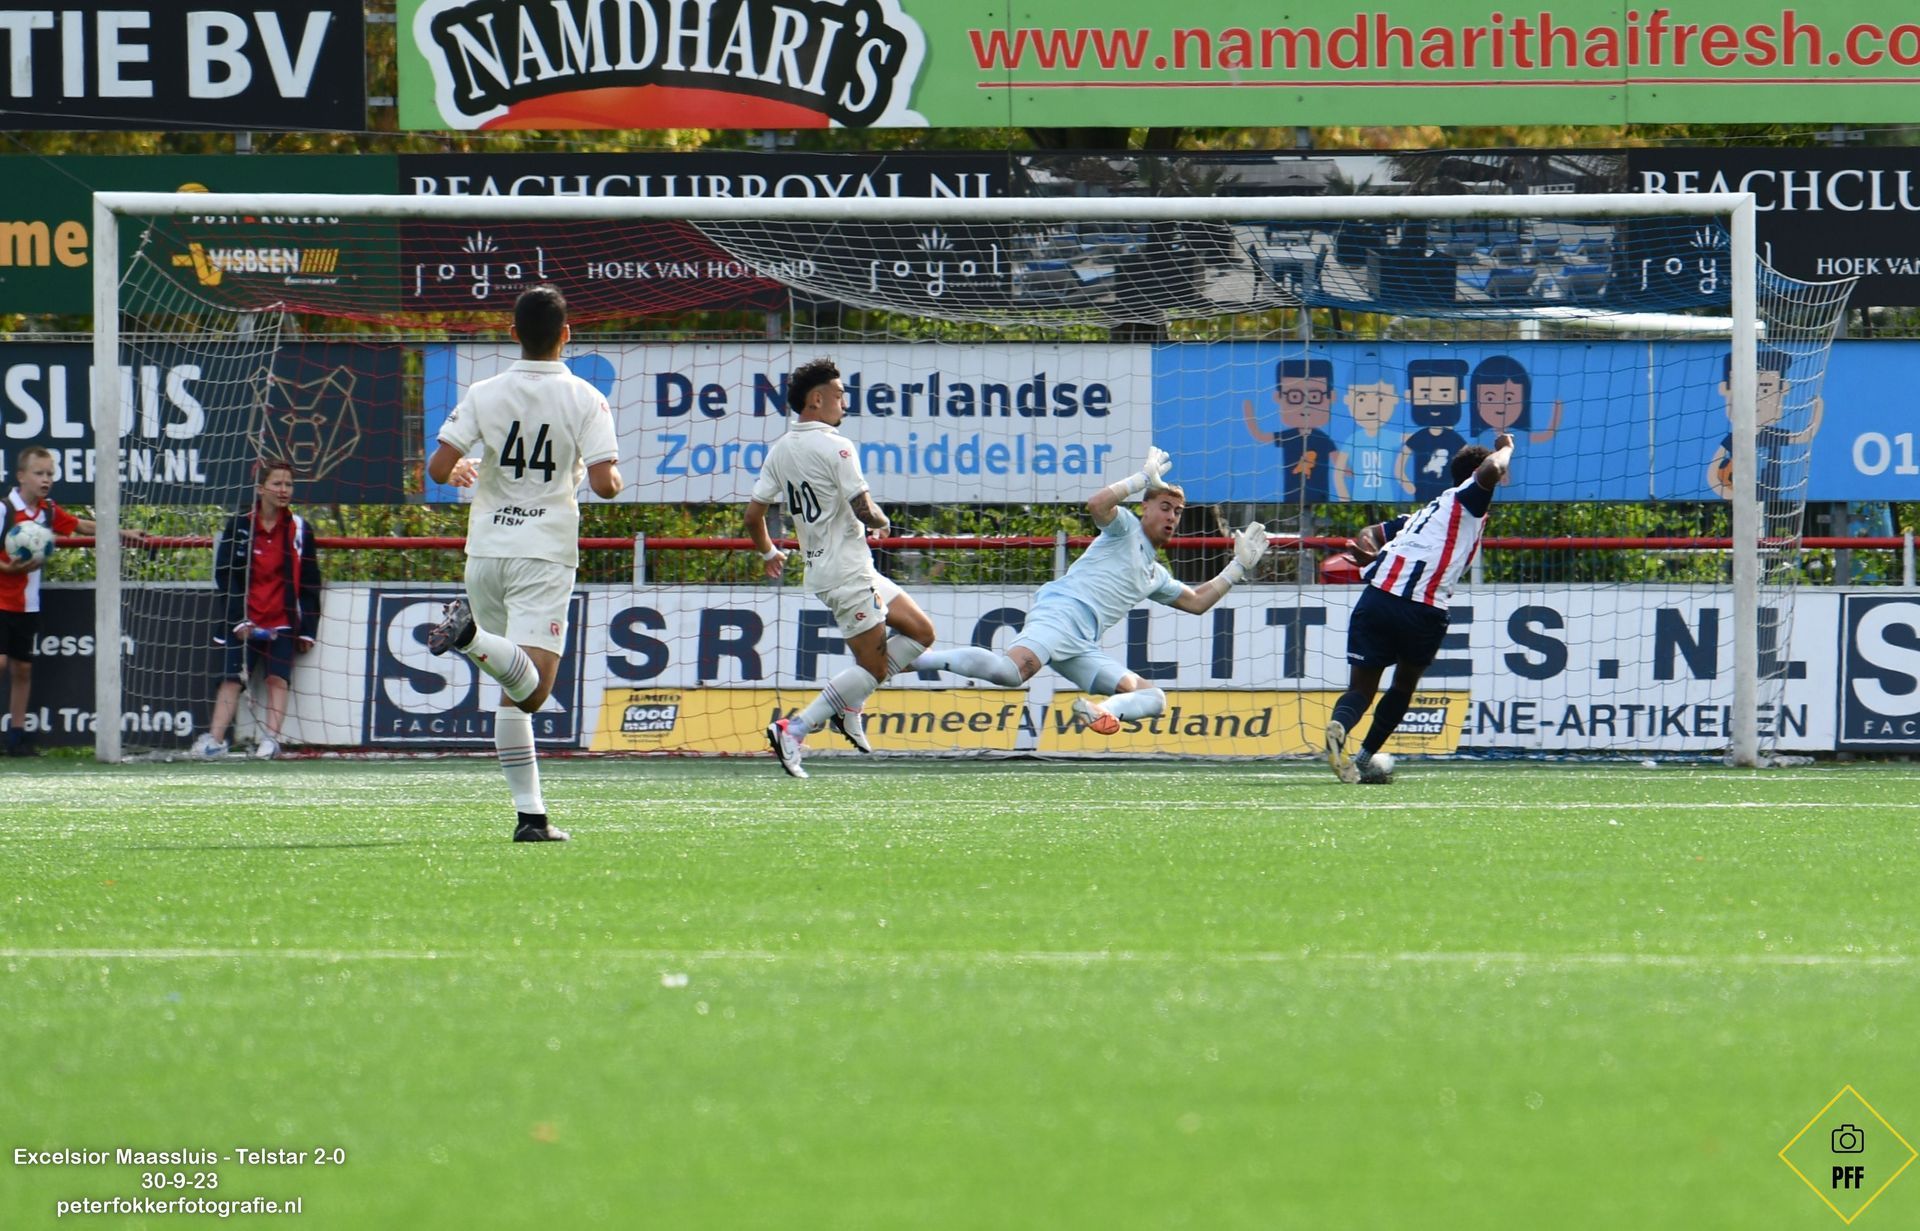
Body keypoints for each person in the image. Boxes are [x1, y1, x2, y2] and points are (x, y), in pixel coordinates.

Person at [424, 284, 623, 842]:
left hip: (486, 551)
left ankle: (531, 818)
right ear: (567, 334)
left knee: (513, 692)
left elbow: (437, 469)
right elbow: (606, 485)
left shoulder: (484, 391)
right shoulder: (586, 397)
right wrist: (603, 472)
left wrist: (459, 467)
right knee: (534, 691)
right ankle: (467, 636)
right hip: (543, 552)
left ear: (512, 334)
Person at [914, 448, 1268, 734]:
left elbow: (1197, 602)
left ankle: (1103, 712)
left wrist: (1237, 567)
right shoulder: (1125, 528)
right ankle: (918, 658)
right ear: (1144, 507)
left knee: (1153, 698)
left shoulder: (1155, 574)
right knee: (1011, 673)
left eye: (1177, 512)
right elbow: (1098, 505)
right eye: (1165, 508)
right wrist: (1141, 479)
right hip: (1061, 615)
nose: (1172, 517)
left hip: (1083, 642)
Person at [746, 357, 936, 779]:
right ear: (816, 400)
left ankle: (849, 706)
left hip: (846, 570)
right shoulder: (837, 446)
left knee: (922, 632)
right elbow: (864, 509)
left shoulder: (780, 450)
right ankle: (793, 729)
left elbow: (752, 516)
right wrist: (883, 521)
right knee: (873, 669)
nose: (844, 403)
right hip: (847, 575)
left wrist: (769, 553)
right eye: (839, 395)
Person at [1326, 432, 1515, 785]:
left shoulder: (1424, 514)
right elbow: (1492, 468)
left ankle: (1340, 725)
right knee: (1402, 686)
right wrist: (1506, 448)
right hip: (1423, 608)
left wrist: (1374, 555)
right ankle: (1364, 759)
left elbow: (1369, 532)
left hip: (1378, 597)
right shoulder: (1469, 499)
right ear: (1474, 475)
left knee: (1360, 690)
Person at [191, 460, 322, 760]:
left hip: (283, 620)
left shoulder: (300, 528)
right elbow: (226, 575)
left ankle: (271, 741)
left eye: (289, 484)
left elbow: (311, 581)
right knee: (231, 678)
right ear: (261, 488)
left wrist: (308, 629)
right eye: (277, 484)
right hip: (245, 620)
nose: (284, 490)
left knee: (278, 678)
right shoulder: (239, 525)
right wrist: (238, 619)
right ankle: (214, 740)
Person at [0, 446, 106, 756]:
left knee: (23, 669)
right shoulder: (5, 509)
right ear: (21, 476)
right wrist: (7, 568)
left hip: (27, 605)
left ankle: (16, 737)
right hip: (0, 602)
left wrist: (122, 532)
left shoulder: (47, 511)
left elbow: (80, 525)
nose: (46, 479)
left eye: (50, 474)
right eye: (39, 473)